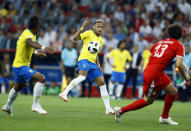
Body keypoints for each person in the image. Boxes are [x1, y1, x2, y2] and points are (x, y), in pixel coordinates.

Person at [114, 24, 190, 125]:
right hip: (154, 74)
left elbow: (151, 58)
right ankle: (120, 111)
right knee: (148, 100)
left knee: (173, 92)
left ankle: (164, 117)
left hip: (155, 71)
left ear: (168, 33)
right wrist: (186, 77)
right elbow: (178, 64)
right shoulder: (179, 45)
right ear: (181, 35)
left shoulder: (159, 43)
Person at [59, 19, 114, 114]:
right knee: (82, 77)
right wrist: (82, 27)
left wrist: (98, 64)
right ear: (94, 27)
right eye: (98, 26)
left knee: (102, 83)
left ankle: (108, 109)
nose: (100, 28)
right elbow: (74, 39)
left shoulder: (101, 40)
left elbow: (96, 53)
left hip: (93, 63)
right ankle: (64, 93)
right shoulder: (88, 33)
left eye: (101, 27)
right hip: (84, 59)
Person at [2, 16, 54, 115]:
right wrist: (43, 47)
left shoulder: (30, 34)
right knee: (41, 78)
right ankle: (35, 105)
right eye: (39, 26)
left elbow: (28, 47)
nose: (39, 28)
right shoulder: (28, 34)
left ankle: (8, 106)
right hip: (21, 66)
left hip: (18, 66)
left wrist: (37, 52)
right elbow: (30, 42)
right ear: (37, 26)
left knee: (17, 88)